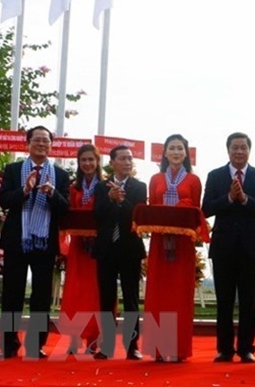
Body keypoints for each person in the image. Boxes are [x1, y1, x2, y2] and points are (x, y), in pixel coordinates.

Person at [0, 126, 70, 359]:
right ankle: (9, 344)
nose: (41, 144)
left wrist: (52, 193)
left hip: (44, 242)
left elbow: (65, 208)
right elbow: (4, 200)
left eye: (45, 140)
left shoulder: (60, 175)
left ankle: (36, 344)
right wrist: (25, 190)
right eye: (36, 140)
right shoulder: (13, 169)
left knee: (41, 297)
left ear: (51, 145)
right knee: (12, 294)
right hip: (16, 240)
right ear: (27, 144)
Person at [202, 133, 255, 364]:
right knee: (224, 301)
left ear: (249, 150)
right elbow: (206, 209)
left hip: (250, 247)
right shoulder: (215, 176)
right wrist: (229, 198)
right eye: (235, 147)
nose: (239, 151)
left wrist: (244, 199)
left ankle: (246, 349)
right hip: (223, 247)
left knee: (248, 301)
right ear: (228, 150)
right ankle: (224, 349)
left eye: (243, 147)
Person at [144, 134, 207, 362]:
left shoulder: (193, 180)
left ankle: (179, 348)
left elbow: (196, 211)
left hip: (183, 246)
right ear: (165, 153)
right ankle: (158, 348)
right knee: (158, 293)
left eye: (180, 148)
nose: (176, 152)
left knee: (180, 294)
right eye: (172, 148)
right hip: (159, 243)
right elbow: (153, 207)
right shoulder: (156, 179)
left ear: (186, 153)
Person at [92, 145, 147, 360]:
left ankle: (132, 345)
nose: (127, 162)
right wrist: (109, 199)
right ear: (112, 162)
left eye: (130, 159)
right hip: (106, 249)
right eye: (122, 158)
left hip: (130, 249)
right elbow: (97, 215)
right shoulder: (101, 187)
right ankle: (106, 345)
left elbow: (138, 215)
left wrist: (121, 201)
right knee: (107, 299)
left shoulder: (139, 187)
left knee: (131, 299)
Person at [60, 144, 103, 355]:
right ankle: (74, 337)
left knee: (95, 291)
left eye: (91, 160)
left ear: (97, 162)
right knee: (75, 290)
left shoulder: (105, 186)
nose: (87, 164)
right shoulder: (74, 188)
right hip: (78, 246)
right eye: (83, 160)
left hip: (98, 247)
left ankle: (93, 339)